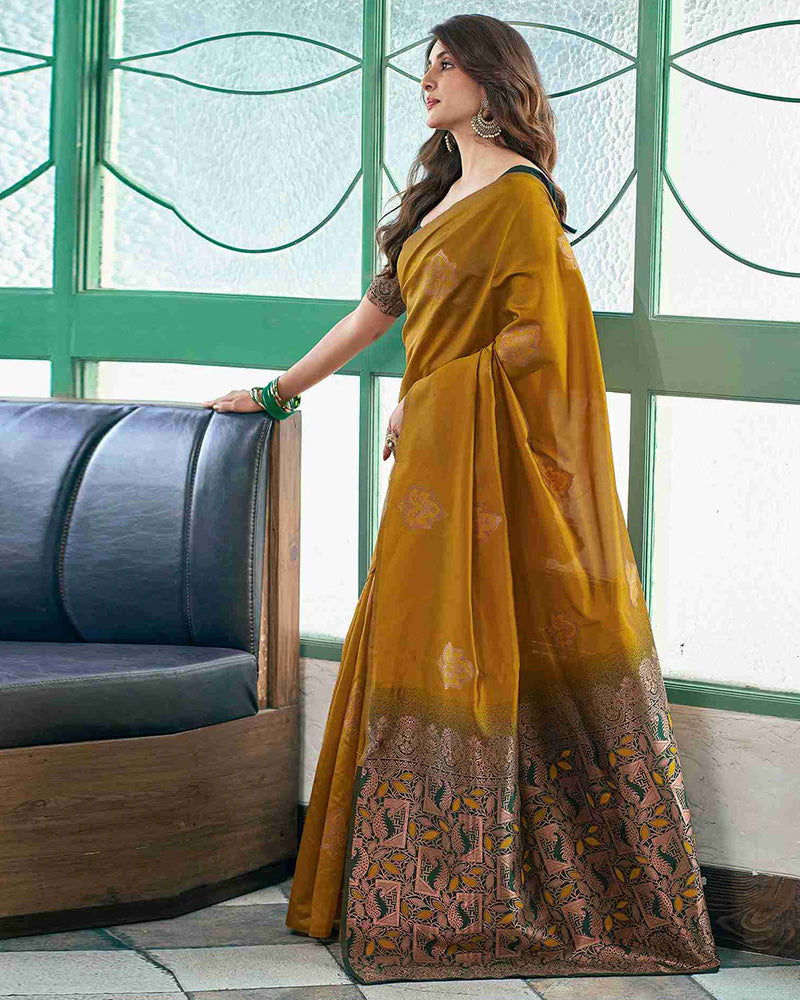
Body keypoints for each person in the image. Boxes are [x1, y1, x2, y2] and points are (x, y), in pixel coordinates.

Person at [205, 13, 720, 988]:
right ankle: (405, 884)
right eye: (426, 66)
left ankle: (479, 892)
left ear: (492, 82)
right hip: (432, 469)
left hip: (472, 459)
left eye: (447, 65)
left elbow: (543, 340)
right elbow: (374, 314)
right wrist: (277, 391)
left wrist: (435, 391)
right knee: (408, 635)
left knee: (477, 646)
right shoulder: (438, 197)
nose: (428, 80)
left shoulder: (520, 198)